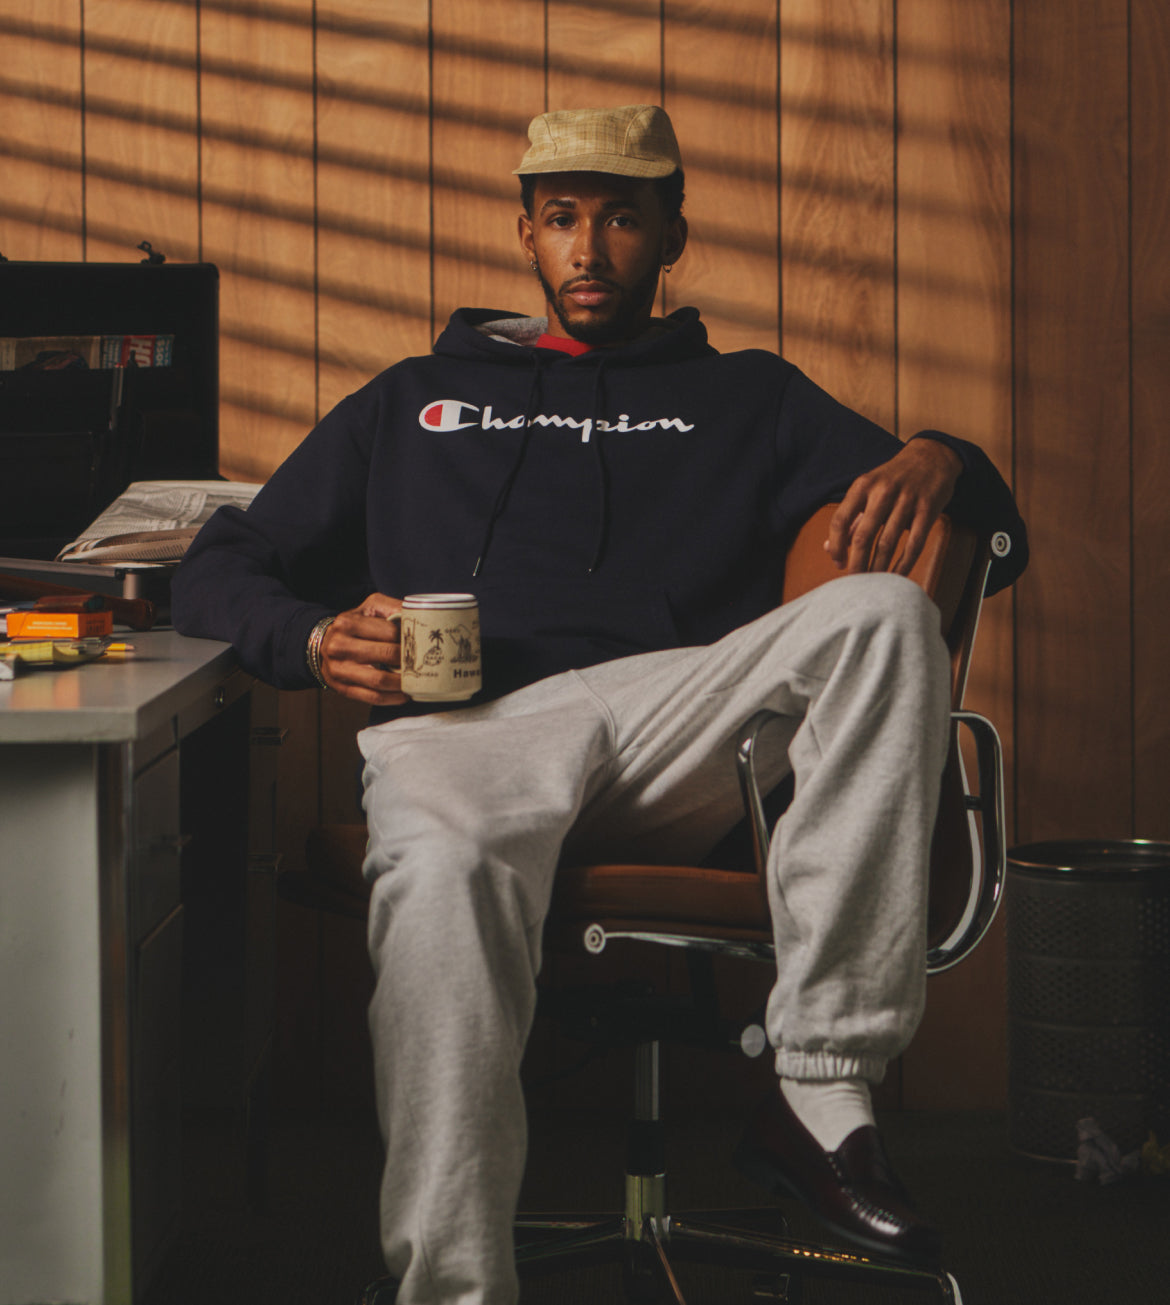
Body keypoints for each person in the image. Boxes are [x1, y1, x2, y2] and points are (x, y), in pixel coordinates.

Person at [172, 104, 1028, 1305]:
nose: (590, 248)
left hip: (676, 722)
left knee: (884, 613)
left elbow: (995, 534)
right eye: (563, 218)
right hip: (463, 731)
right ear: (525, 233)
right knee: (442, 868)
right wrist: (313, 641)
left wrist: (942, 453)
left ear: (671, 235)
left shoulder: (748, 396)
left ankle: (821, 1089)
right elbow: (220, 565)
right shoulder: (417, 397)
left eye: (623, 219)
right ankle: (454, 1289)